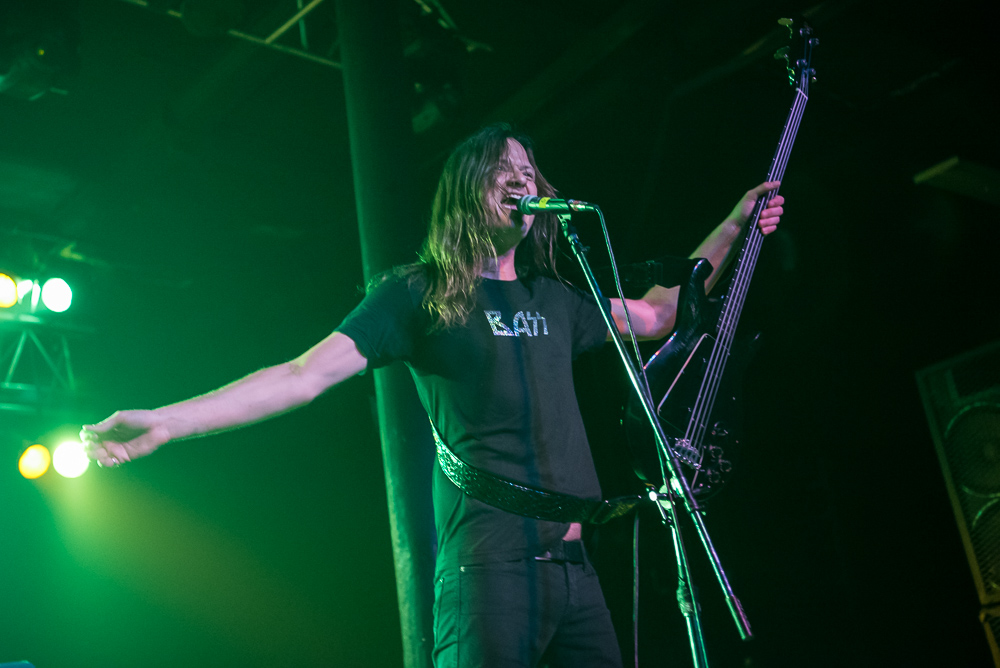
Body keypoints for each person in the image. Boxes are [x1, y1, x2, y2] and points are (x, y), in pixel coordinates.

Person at [82, 123, 784, 667]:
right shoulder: (419, 294)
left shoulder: (560, 297)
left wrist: (734, 224)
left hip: (577, 570)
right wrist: (169, 423)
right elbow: (302, 375)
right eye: (503, 171)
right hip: (491, 570)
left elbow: (659, 314)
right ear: (467, 189)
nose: (520, 180)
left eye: (528, 172)